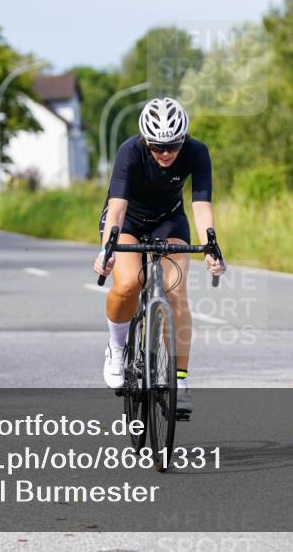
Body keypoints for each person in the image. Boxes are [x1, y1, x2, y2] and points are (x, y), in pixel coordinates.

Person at [93, 97, 226, 418]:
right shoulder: (129, 151)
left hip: (169, 220)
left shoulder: (197, 152)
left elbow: (201, 205)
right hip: (127, 221)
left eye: (173, 146)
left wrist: (211, 246)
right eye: (157, 146)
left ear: (184, 140)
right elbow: (117, 206)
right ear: (145, 141)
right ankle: (116, 347)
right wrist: (106, 250)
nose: (165, 153)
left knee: (175, 291)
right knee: (129, 282)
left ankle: (180, 381)